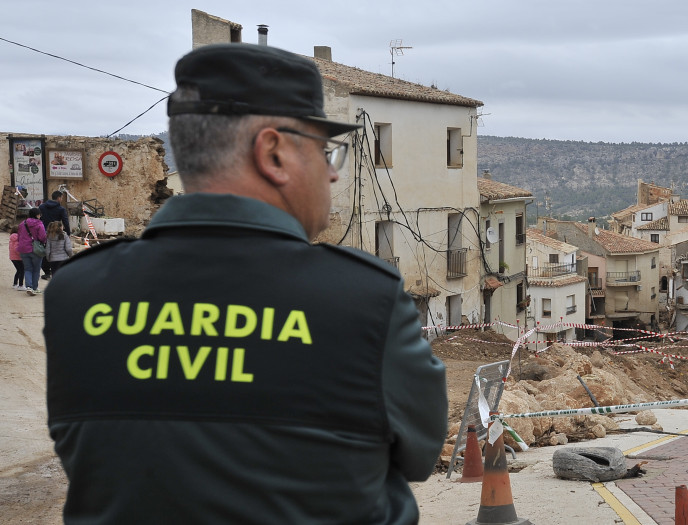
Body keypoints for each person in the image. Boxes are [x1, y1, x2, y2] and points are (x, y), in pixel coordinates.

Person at [43, 43, 447, 524]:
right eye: (324, 151)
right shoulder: (366, 301)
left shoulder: (76, 292)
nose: (334, 173)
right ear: (273, 152)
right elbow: (421, 456)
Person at [39, 190, 70, 279]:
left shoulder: (42, 207)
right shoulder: (61, 209)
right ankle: (57, 271)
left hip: (45, 232)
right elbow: (65, 222)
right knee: (58, 250)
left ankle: (47, 272)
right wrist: (68, 233)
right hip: (57, 233)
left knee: (46, 251)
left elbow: (39, 219)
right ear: (59, 198)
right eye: (61, 198)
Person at [17, 208, 46, 296]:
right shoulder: (39, 224)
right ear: (37, 215)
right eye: (39, 214)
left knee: (28, 269)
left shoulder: (22, 223)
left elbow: (19, 236)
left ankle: (28, 286)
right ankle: (34, 287)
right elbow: (42, 237)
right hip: (35, 250)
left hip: (23, 249)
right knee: (36, 270)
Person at [9, 226, 24, 290]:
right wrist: (21, 254)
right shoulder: (17, 238)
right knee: (22, 270)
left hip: (12, 257)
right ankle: (20, 285)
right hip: (18, 258)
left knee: (18, 270)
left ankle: (15, 284)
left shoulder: (11, 238)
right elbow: (16, 249)